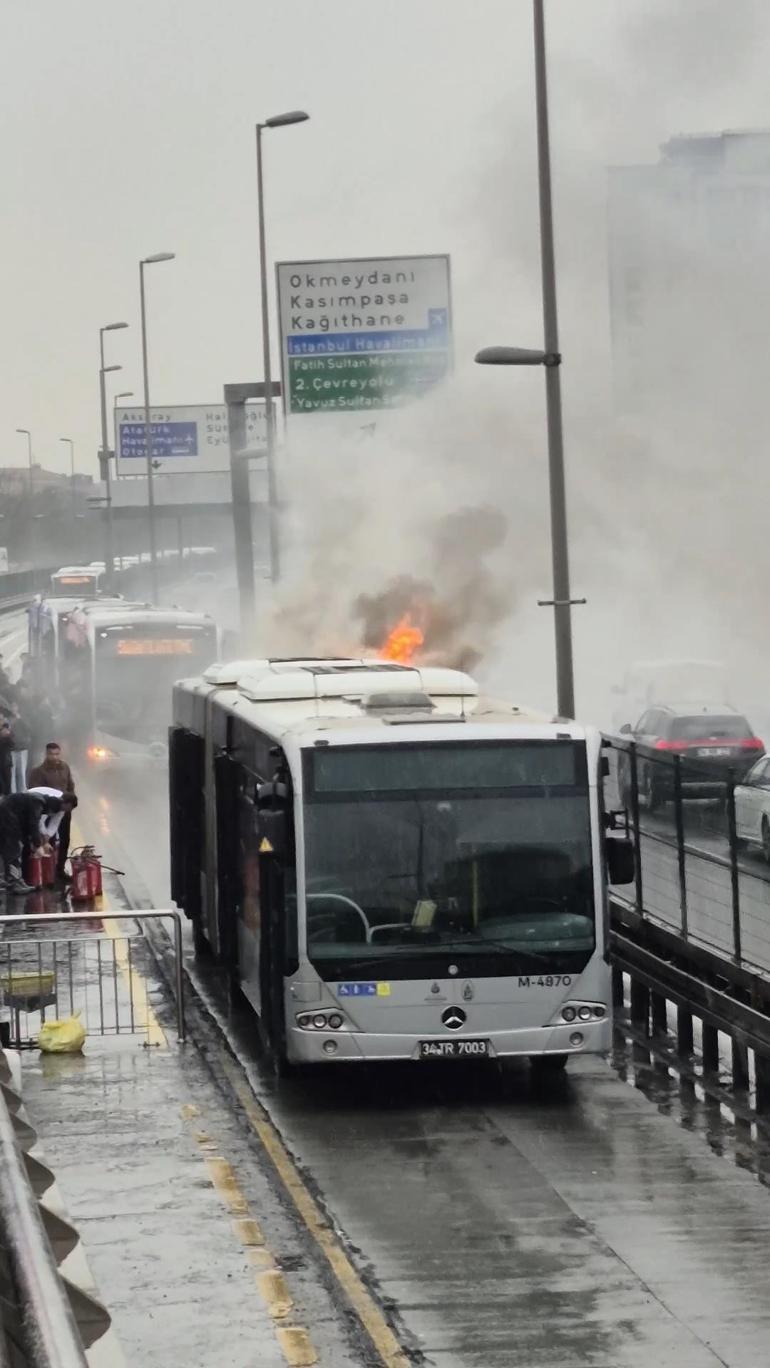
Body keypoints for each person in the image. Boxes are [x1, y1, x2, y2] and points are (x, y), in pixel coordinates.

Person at [27, 744, 76, 881]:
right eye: (51, 754)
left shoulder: (65, 767)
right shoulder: (38, 772)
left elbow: (71, 785)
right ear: (46, 754)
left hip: (64, 809)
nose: (54, 757)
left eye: (57, 754)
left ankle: (60, 869)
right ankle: (49, 870)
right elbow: (34, 792)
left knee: (65, 839)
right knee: (49, 839)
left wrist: (69, 801)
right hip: (47, 811)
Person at [0, 791, 48, 895]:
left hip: (5, 817)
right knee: (13, 853)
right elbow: (33, 824)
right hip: (8, 820)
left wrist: (29, 842)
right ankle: (15, 883)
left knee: (6, 850)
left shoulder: (26, 800)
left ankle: (11, 880)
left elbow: (26, 826)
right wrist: (37, 844)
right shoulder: (37, 803)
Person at [9, 704, 31, 795]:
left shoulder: (23, 717)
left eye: (15, 706)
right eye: (12, 706)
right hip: (11, 749)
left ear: (18, 707)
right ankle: (13, 794)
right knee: (12, 773)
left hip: (22, 748)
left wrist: (20, 719)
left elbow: (29, 728)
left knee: (21, 772)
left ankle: (22, 793)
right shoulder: (8, 719)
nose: (13, 708)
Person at [0, 722, 12, 797]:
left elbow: (12, 744)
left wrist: (7, 735)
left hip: (6, 763)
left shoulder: (8, 735)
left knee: (7, 784)